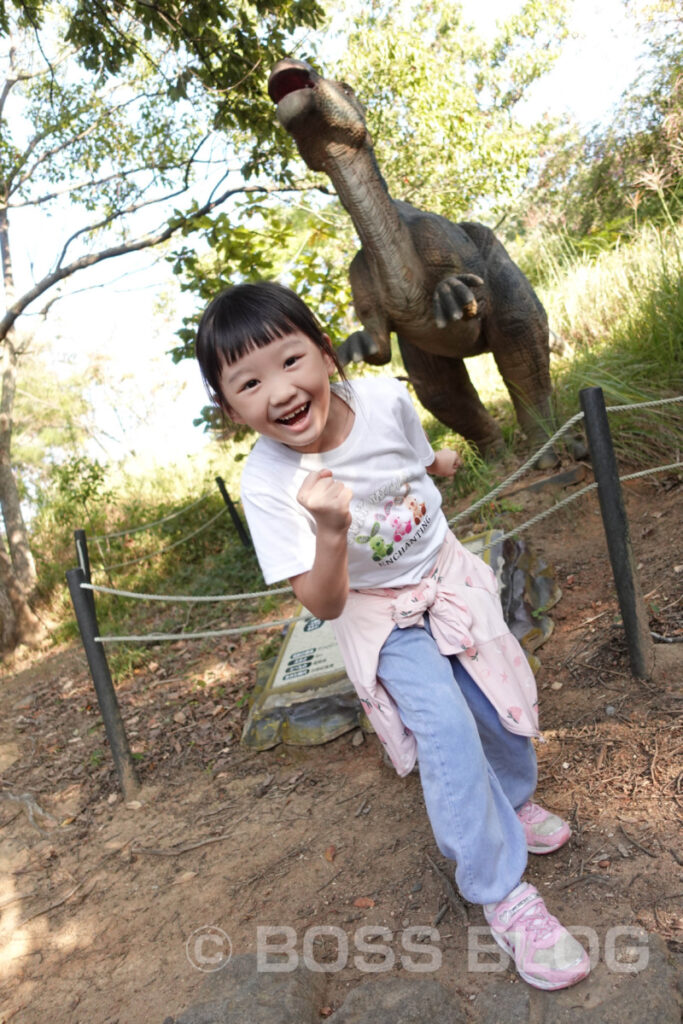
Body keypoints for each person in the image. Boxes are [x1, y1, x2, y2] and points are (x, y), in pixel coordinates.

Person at [195, 280, 590, 991]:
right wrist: (329, 532)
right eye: (249, 383)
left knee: (489, 695)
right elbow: (321, 598)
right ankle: (501, 891)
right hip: (377, 611)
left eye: (290, 362)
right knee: (444, 727)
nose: (279, 391)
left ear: (323, 352)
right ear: (230, 410)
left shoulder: (382, 401)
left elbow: (411, 454)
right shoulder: (269, 483)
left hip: (443, 571)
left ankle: (514, 797)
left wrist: (435, 464)